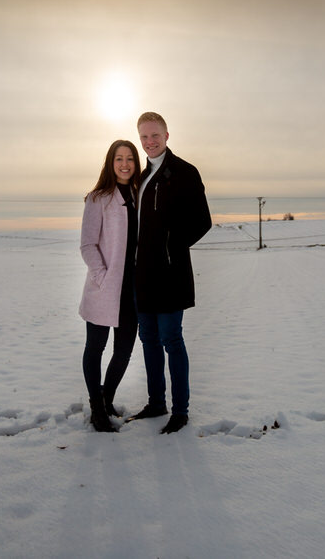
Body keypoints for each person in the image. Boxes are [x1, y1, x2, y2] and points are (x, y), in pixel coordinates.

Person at [128, 112, 211, 434]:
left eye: (155, 135)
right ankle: (156, 402)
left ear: (167, 135)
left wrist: (167, 248)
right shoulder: (140, 175)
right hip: (141, 275)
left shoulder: (183, 172)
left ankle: (180, 410)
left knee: (171, 340)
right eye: (144, 137)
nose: (150, 142)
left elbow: (201, 221)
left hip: (170, 273)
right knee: (147, 338)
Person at [79, 140, 141, 432]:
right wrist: (102, 276)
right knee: (95, 348)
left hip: (133, 290)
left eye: (130, 158)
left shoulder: (142, 194)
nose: (125, 164)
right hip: (104, 289)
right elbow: (87, 245)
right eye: (119, 158)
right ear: (110, 162)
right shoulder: (97, 198)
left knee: (124, 350)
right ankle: (96, 408)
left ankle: (107, 397)